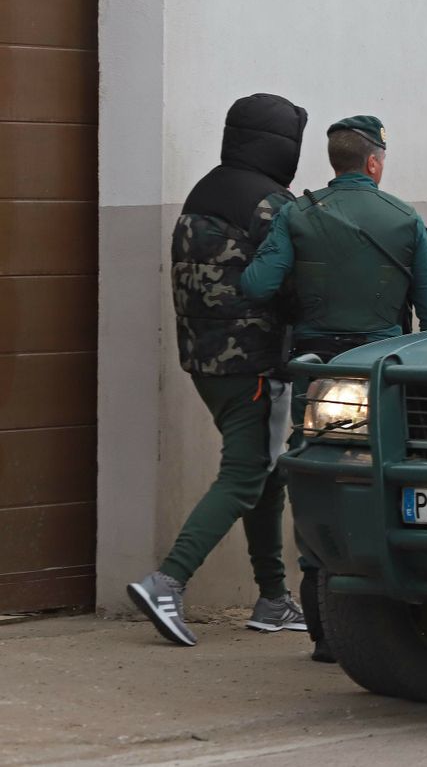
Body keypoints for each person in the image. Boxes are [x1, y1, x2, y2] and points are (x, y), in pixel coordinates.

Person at [242, 115, 427, 662]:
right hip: (383, 373)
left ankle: (322, 631)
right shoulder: (406, 220)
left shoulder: (298, 215)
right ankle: (384, 615)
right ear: (374, 162)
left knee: (316, 480)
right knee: (382, 481)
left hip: (318, 374)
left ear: (335, 162)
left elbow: (257, 284)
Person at [127, 93, 310, 647]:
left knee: (265, 471)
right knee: (246, 473)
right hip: (252, 363)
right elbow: (293, 281)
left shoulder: (202, 190)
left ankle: (273, 597)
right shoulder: (270, 204)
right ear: (284, 146)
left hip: (206, 363)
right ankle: (168, 580)